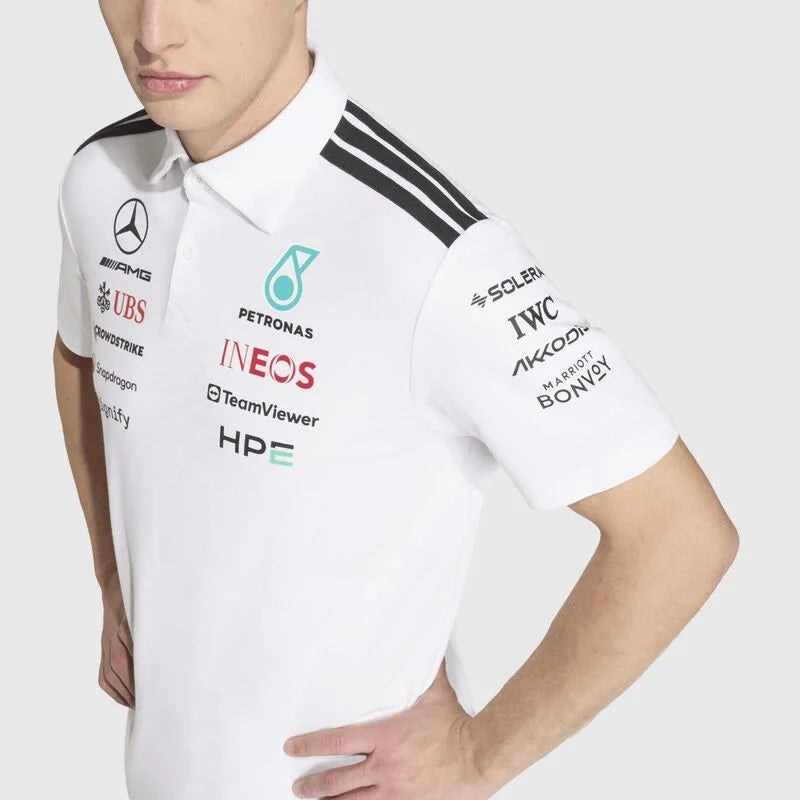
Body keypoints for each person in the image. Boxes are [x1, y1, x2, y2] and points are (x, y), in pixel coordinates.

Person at [52, 2, 739, 799]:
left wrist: (479, 757)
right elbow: (80, 355)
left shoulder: (430, 253)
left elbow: (680, 534)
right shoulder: (101, 177)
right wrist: (113, 573)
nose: (153, 31)